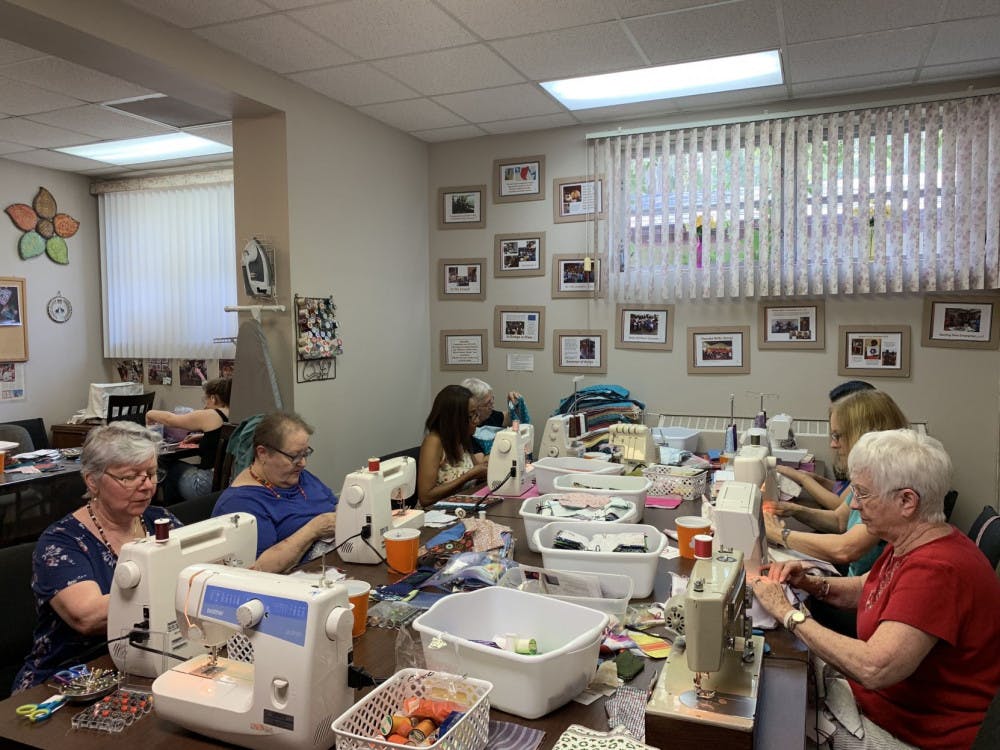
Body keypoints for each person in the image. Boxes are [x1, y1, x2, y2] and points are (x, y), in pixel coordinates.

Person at [751, 429, 1000, 750]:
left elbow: (873, 667)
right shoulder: (920, 541)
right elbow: (868, 586)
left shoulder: (938, 571)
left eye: (864, 494)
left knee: (772, 723)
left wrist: (789, 614)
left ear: (907, 501)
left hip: (916, 735)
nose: (854, 503)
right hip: (888, 706)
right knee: (785, 684)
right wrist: (813, 583)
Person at [13, 422, 181, 692]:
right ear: (92, 480)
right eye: (129, 477)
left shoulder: (162, 521)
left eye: (150, 473)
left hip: (145, 661)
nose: (147, 486)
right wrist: (180, 586)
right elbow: (88, 617)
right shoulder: (61, 543)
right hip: (67, 680)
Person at [767, 390, 909, 577]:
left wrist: (779, 534)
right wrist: (794, 510)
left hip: (862, 592)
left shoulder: (890, 482)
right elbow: (840, 520)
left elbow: (846, 549)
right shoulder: (867, 474)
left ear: (862, 435)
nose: (833, 445)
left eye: (838, 436)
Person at [211, 412, 338, 573]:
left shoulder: (298, 477)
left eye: (305, 453)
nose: (303, 463)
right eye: (294, 456)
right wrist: (313, 530)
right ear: (262, 453)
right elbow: (260, 569)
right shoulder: (240, 504)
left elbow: (334, 504)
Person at [145, 376, 231, 502]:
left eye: (206, 399)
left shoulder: (212, 414)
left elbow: (172, 420)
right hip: (227, 483)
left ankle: (170, 510)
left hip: (204, 486)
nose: (205, 404)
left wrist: (150, 413)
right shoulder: (237, 413)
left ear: (213, 398)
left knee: (166, 466)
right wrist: (202, 436)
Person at [417, 385, 488, 507]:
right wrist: (468, 476)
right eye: (472, 415)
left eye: (477, 413)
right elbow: (426, 497)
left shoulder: (463, 439)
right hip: (433, 515)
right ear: (455, 419)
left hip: (459, 508)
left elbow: (477, 474)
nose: (477, 421)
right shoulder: (434, 442)